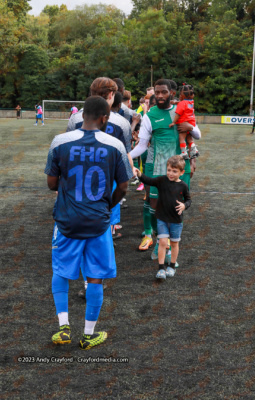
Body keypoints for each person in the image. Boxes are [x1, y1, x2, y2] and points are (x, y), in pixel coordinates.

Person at [45, 96, 132, 349]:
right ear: (105, 118)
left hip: (67, 220)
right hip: (99, 221)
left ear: (82, 115)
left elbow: (51, 184)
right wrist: (107, 206)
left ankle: (63, 328)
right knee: (95, 275)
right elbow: (124, 187)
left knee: (60, 269)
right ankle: (88, 334)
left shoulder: (60, 141)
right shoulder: (114, 144)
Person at [130, 79, 200, 255]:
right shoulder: (150, 115)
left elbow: (197, 135)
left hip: (178, 168)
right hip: (157, 167)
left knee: (176, 207)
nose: (160, 95)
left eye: (163, 92)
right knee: (154, 205)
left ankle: (169, 244)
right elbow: (142, 145)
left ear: (172, 94)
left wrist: (190, 126)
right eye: (157, 92)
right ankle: (161, 239)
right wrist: (127, 156)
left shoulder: (182, 109)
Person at [135, 155, 191, 279]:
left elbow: (188, 200)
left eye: (174, 171)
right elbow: (149, 180)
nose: (170, 173)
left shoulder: (183, 186)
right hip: (162, 219)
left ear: (181, 173)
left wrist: (184, 206)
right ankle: (161, 269)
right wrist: (139, 174)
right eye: (169, 170)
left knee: (175, 243)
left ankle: (171, 266)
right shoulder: (161, 181)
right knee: (163, 242)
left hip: (176, 220)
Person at [169, 83, 199, 159]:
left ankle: (183, 152)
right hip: (191, 122)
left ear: (181, 95)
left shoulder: (181, 104)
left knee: (182, 138)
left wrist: (173, 122)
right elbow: (184, 102)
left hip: (183, 123)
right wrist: (176, 102)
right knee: (189, 138)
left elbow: (178, 114)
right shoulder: (191, 101)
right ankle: (194, 150)